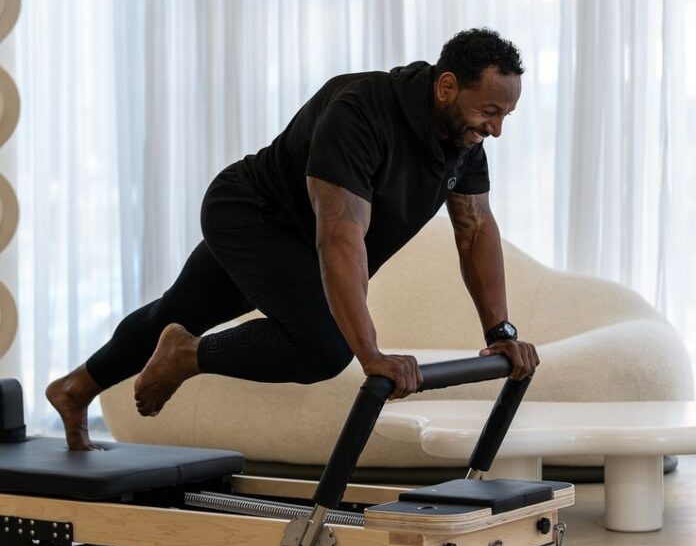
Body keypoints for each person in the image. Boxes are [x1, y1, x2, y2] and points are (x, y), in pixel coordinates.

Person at [47, 27, 540, 451]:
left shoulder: (463, 141)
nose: (496, 129)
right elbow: (340, 237)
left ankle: (74, 389)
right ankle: (184, 354)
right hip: (250, 215)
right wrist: (370, 353)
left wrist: (500, 333)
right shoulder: (361, 111)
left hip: (297, 239)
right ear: (447, 86)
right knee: (325, 347)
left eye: (505, 116)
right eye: (490, 111)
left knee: (175, 311)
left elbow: (475, 229)